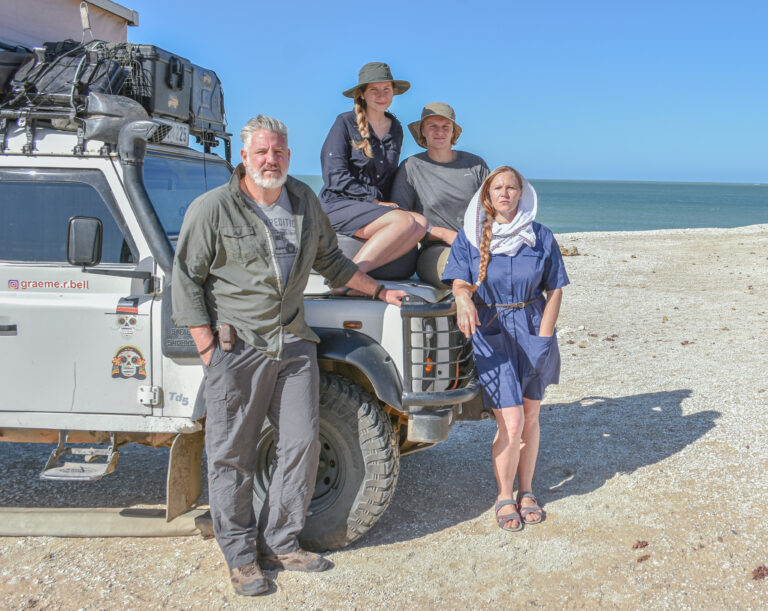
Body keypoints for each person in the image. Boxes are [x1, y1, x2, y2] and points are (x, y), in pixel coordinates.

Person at [172, 115, 406, 596]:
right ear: (244, 157)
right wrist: (208, 350)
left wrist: (380, 291)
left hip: (295, 343)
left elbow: (331, 260)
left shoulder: (303, 200)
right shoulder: (213, 208)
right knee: (231, 455)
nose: (270, 160)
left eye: (278, 151)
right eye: (261, 152)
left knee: (300, 445)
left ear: (288, 156)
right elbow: (187, 279)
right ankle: (241, 557)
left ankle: (280, 542)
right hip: (238, 348)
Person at [442, 166, 569, 532]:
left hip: (532, 328)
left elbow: (555, 289)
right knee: (510, 422)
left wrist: (544, 336)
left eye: (511, 187)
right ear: (487, 195)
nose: (504, 193)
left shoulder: (540, 236)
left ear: (521, 193)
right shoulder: (470, 236)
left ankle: (526, 491)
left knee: (531, 416)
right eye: (497, 187)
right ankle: (503, 495)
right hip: (491, 331)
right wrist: (461, 297)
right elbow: (459, 280)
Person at [319, 62, 428, 283]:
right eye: (374, 90)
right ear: (362, 94)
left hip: (373, 207)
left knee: (421, 223)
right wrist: (374, 202)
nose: (381, 95)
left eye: (386, 89)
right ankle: (346, 279)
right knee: (404, 222)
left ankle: (353, 277)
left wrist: (388, 205)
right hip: (339, 203)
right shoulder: (344, 123)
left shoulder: (396, 128)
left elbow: (388, 178)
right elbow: (333, 174)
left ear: (393, 92)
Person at [391, 102, 489, 286]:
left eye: (446, 126)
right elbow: (401, 220)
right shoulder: (410, 167)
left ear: (453, 131)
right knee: (461, 267)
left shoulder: (476, 165)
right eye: (433, 126)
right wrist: (445, 235)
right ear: (423, 131)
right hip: (436, 250)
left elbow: (493, 210)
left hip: (478, 245)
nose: (439, 132)